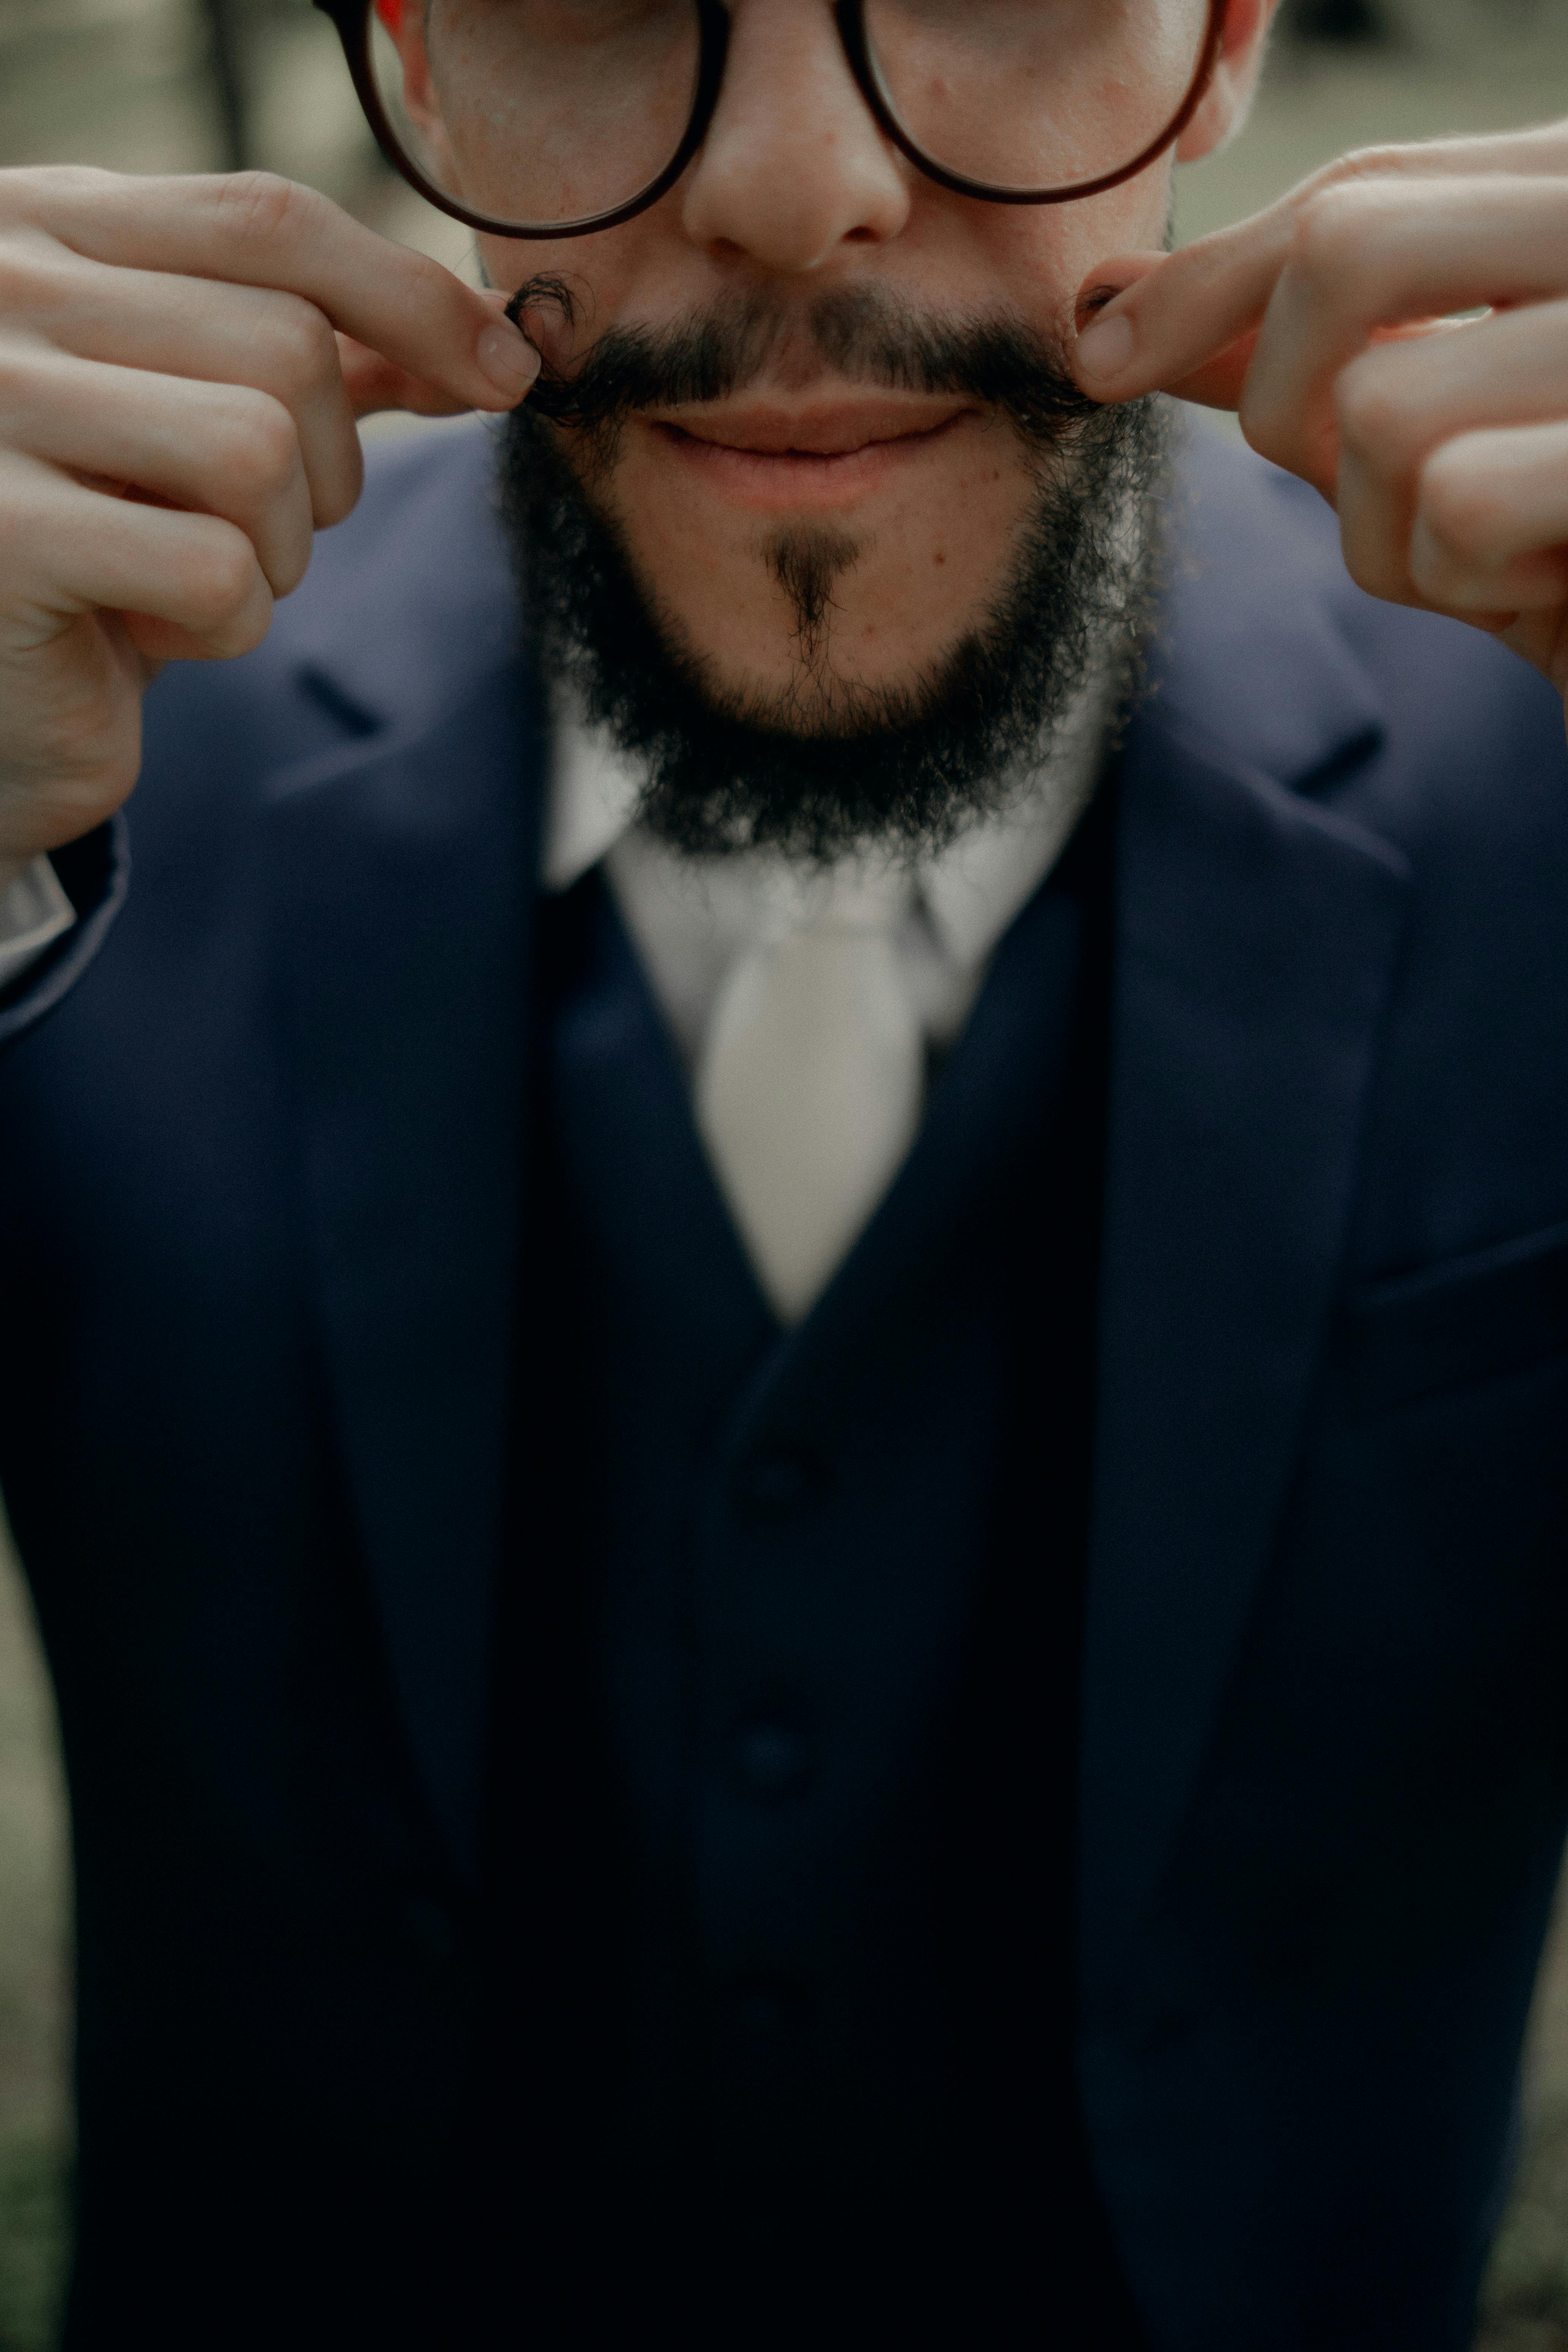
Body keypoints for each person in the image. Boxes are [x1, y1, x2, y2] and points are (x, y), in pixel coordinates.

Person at [0, 0, 1565, 2343]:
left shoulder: (1536, 768)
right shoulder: (86, 733)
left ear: (1227, 43)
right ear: (420, 61)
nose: (794, 185)